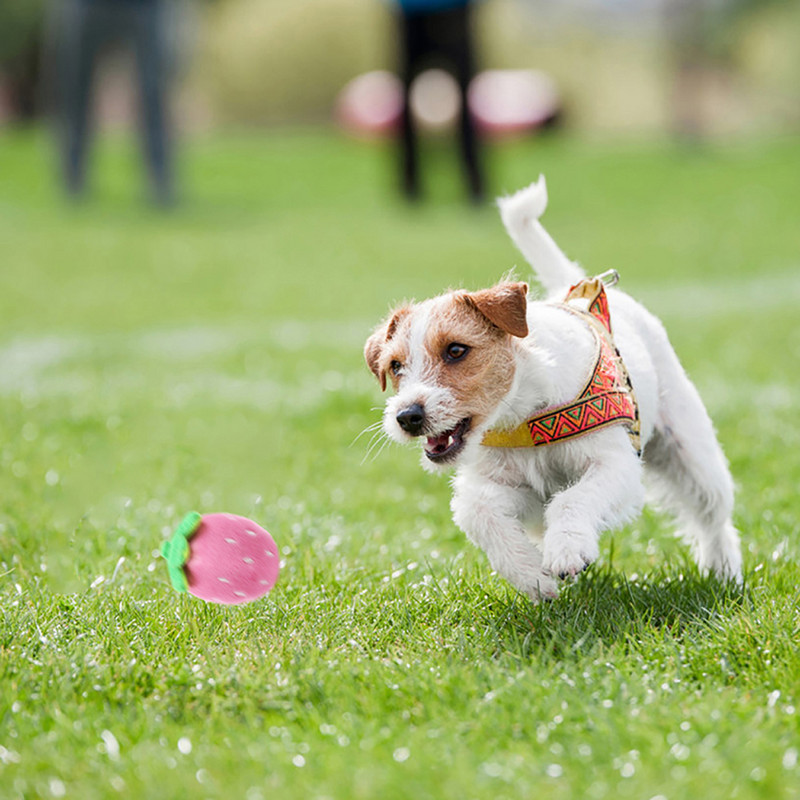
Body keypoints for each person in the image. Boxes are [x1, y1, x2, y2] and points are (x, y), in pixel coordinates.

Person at [52, 0, 174, 205]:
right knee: (75, 86)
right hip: (88, 5)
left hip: (144, 5)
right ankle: (72, 180)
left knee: (152, 90)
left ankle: (160, 182)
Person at [393, 0, 485, 202]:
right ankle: (410, 187)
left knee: (466, 95)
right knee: (405, 97)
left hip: (452, 7)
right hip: (412, 8)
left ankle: (475, 186)